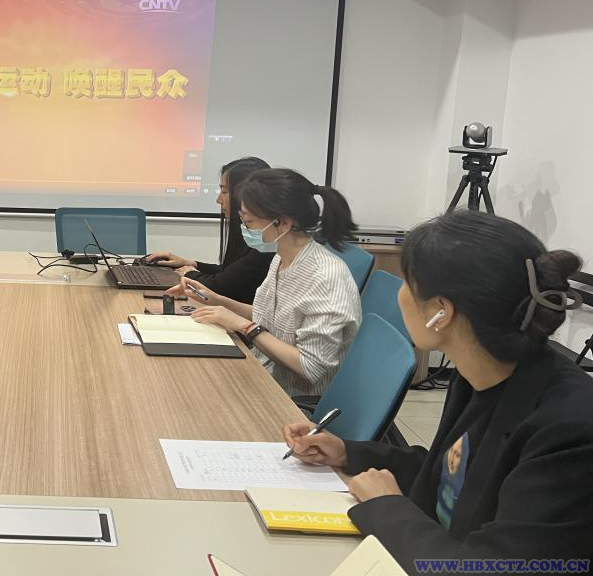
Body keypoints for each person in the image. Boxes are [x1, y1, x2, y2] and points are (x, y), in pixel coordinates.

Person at [283, 211, 593, 565]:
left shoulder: (569, 430)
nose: (399, 295)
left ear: (440, 312)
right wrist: (347, 453)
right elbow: (453, 475)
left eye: (405, 283)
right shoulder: (481, 374)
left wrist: (386, 506)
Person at [168, 167, 361, 397]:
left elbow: (310, 367)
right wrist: (215, 300)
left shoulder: (325, 278)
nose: (244, 228)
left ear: (284, 223)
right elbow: (267, 317)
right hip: (264, 376)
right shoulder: (282, 258)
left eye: (248, 221)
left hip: (295, 402)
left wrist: (243, 326)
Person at [145, 156, 272, 303]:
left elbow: (220, 286)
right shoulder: (254, 238)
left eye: (224, 191)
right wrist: (191, 264)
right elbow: (229, 272)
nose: (218, 200)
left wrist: (189, 273)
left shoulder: (266, 247)